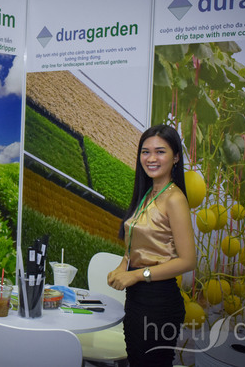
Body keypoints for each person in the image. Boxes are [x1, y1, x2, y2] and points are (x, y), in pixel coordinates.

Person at [107, 124, 196, 366]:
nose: (151, 158)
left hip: (159, 303)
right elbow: (137, 243)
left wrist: (136, 275)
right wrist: (123, 266)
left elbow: (188, 261)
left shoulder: (175, 199)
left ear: (175, 157)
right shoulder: (148, 194)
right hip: (137, 299)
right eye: (145, 152)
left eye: (160, 152)